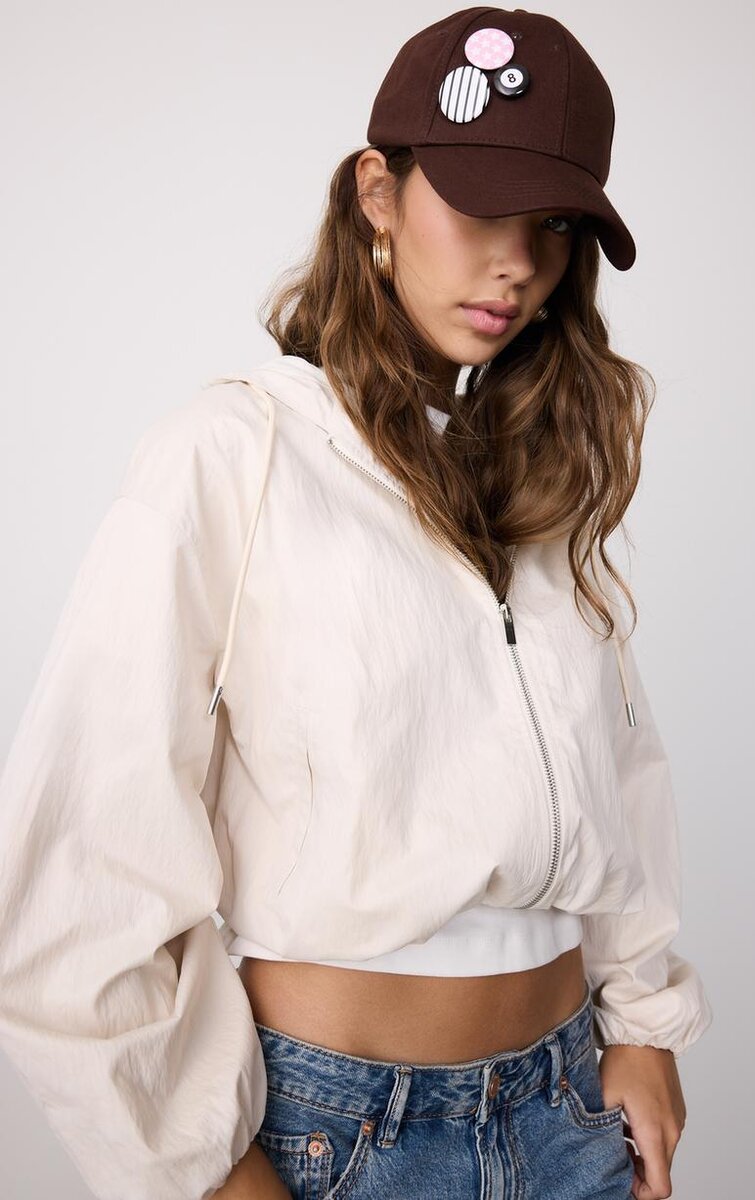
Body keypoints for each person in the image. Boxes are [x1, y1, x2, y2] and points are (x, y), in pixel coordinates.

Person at [0, 7, 713, 1200]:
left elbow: (618, 782)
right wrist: (209, 1175)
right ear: (378, 192)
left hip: (568, 1113)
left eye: (554, 224)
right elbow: (76, 874)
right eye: (480, 207)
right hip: (341, 1139)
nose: (518, 264)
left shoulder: (536, 477)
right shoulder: (231, 456)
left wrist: (642, 1022)